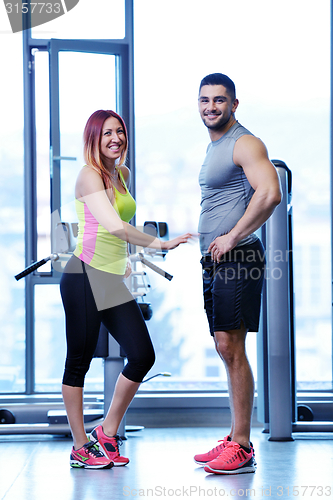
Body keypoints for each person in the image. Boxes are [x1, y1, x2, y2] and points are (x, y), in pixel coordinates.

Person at [60, 109, 192, 469]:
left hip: (111, 277)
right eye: (106, 134)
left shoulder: (122, 174)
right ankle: (79, 444)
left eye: (119, 131)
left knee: (142, 355)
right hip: (84, 275)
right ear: (93, 139)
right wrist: (159, 244)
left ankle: (107, 430)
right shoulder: (89, 176)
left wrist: (127, 260)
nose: (115, 138)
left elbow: (116, 231)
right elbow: (114, 226)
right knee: (78, 363)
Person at [193, 74, 282, 475]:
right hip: (216, 261)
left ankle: (243, 446)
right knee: (225, 346)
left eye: (219, 100)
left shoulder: (244, 142)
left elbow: (270, 192)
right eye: (205, 100)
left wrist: (231, 236)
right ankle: (235, 436)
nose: (211, 106)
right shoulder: (215, 147)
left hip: (239, 257)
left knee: (232, 346)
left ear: (234, 104)